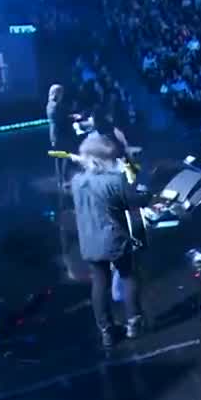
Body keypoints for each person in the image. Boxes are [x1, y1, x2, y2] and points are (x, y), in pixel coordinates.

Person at [70, 134, 147, 348]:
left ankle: (107, 331)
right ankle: (134, 323)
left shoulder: (77, 182)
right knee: (129, 275)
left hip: (89, 240)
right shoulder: (114, 181)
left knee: (99, 283)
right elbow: (132, 201)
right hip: (114, 239)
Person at [46, 84, 79, 187]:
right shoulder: (55, 105)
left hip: (56, 134)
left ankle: (61, 180)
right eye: (61, 92)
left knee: (60, 157)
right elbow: (61, 119)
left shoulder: (51, 104)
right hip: (60, 134)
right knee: (64, 156)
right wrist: (73, 117)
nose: (62, 95)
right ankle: (63, 180)